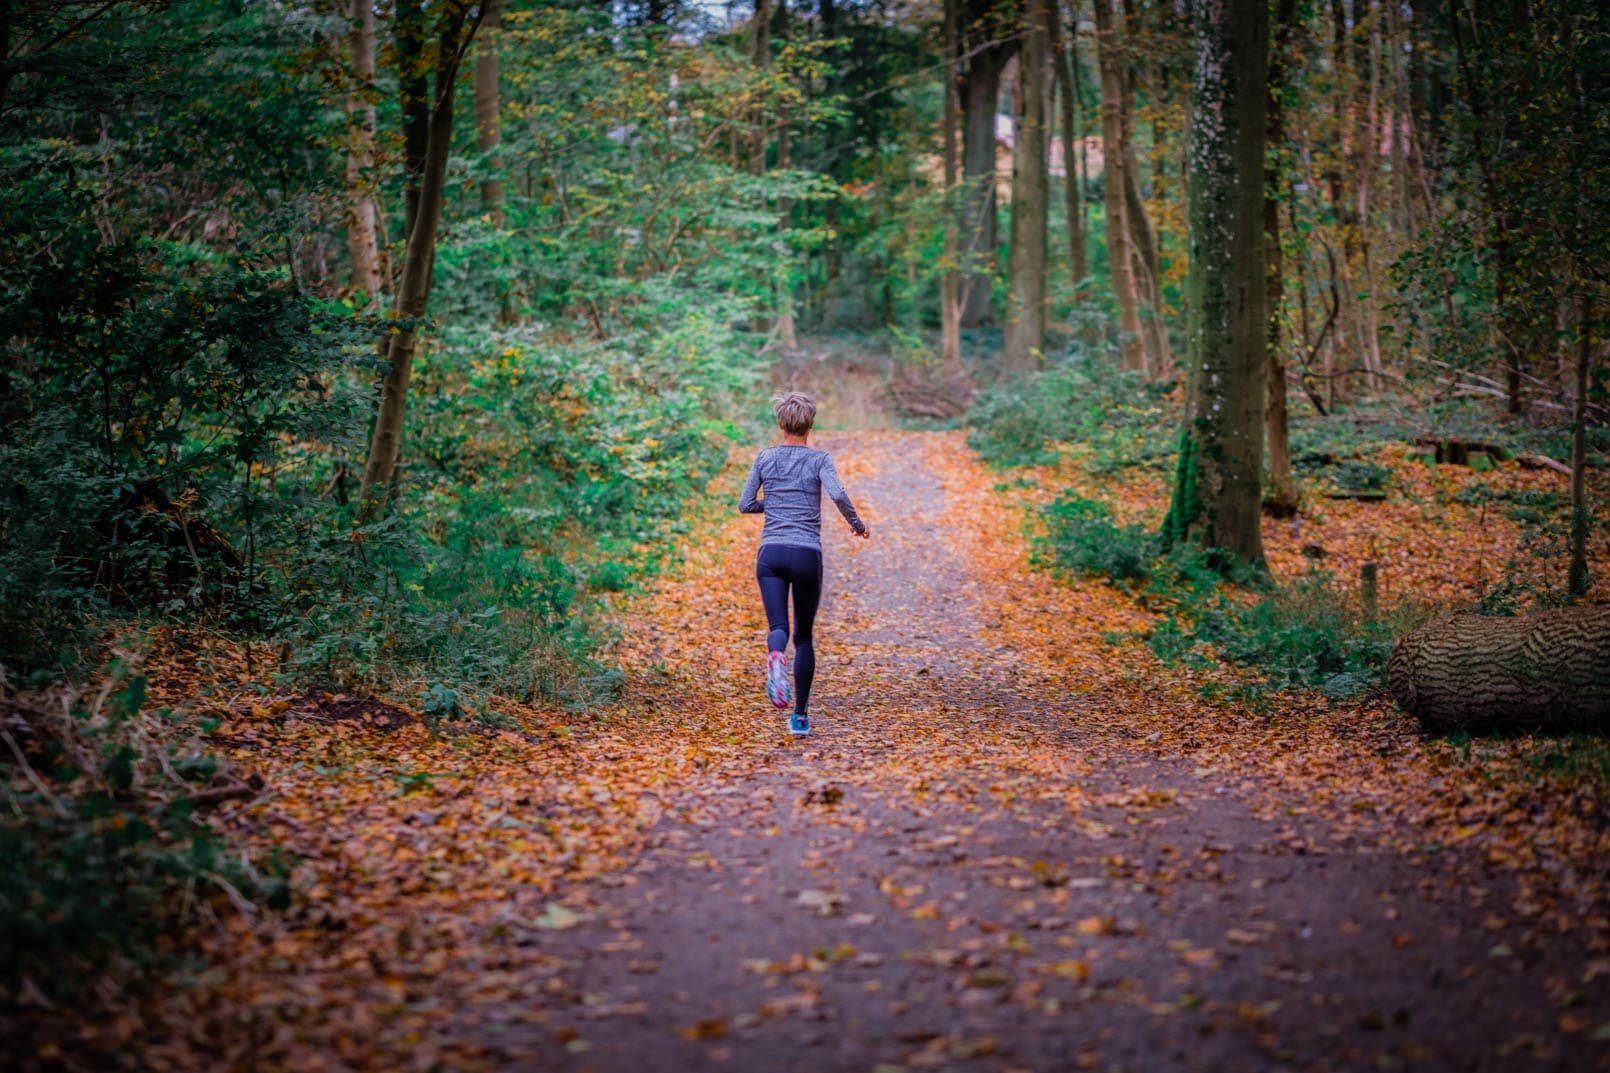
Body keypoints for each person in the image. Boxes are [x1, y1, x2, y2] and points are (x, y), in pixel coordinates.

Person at [738, 392, 869, 737]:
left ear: (780, 423)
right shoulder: (820, 460)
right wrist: (857, 524)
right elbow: (838, 494)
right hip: (806, 553)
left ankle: (775, 655)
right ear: (811, 424)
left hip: (771, 554)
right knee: (805, 636)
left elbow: (745, 503)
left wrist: (778, 504)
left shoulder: (765, 458)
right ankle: (799, 717)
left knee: (778, 626)